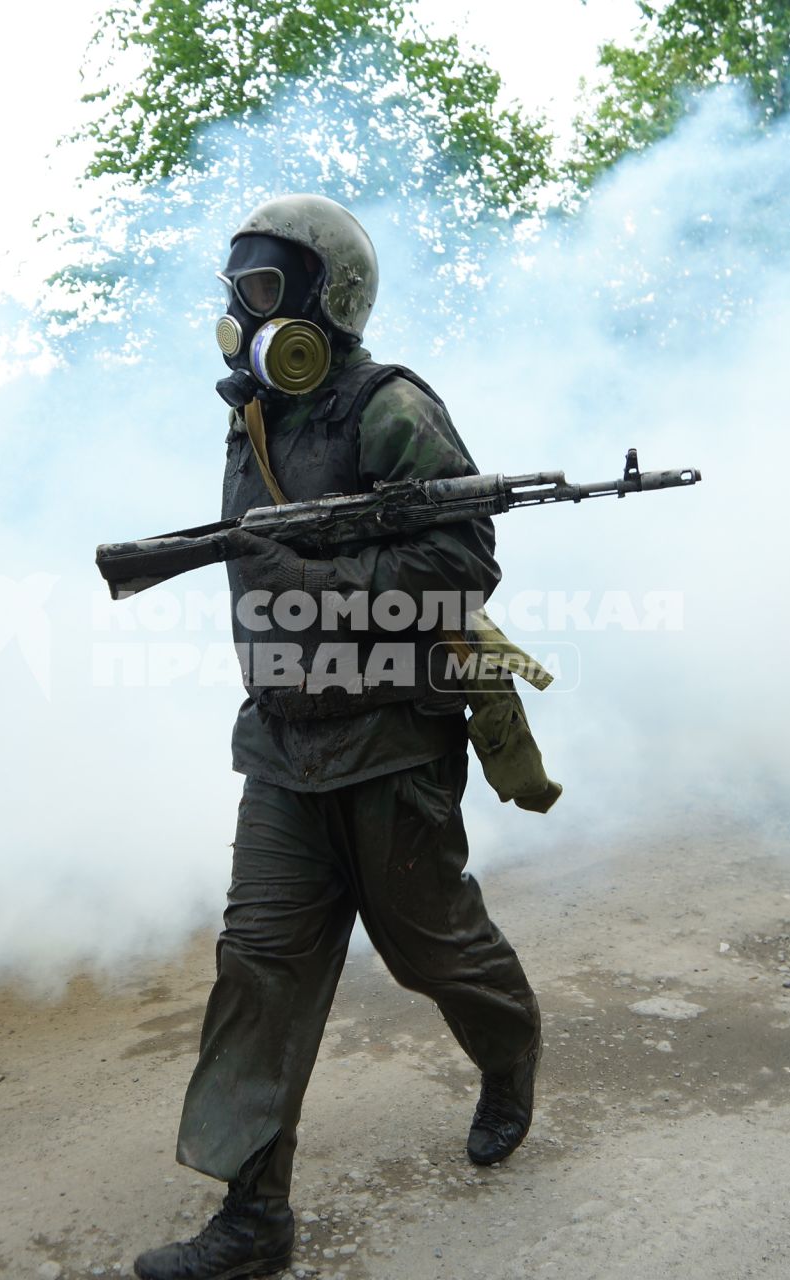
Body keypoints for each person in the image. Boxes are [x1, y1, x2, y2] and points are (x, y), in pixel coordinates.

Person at [133, 195, 543, 1280]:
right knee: (259, 965)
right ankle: (252, 1217)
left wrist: (316, 577)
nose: (239, 314)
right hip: (278, 745)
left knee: (432, 947)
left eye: (261, 292)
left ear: (324, 300)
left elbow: (459, 567)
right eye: (233, 294)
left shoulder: (387, 406)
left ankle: (509, 1054)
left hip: (388, 741)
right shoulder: (255, 413)